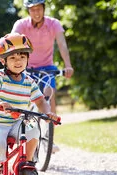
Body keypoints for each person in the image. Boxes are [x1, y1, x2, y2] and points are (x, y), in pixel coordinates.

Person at [0, 33, 59, 175]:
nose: (18, 61)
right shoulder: (0, 77)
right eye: (13, 58)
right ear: (4, 61)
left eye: (22, 57)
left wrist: (47, 112)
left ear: (28, 58)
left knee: (34, 129)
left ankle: (25, 162)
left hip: (17, 122)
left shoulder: (29, 81)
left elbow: (41, 100)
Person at [11, 0, 74, 153]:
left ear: (44, 9)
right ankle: (19, 132)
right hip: (27, 67)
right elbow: (12, 43)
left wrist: (67, 65)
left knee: (48, 93)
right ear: (28, 11)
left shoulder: (54, 24)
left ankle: (48, 138)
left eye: (39, 9)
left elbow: (62, 44)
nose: (36, 13)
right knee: (23, 98)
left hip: (47, 67)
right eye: (32, 10)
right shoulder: (21, 25)